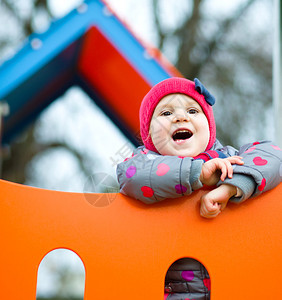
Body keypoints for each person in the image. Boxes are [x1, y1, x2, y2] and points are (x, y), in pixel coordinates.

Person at [116, 77, 282, 299]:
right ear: (148, 135)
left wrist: (230, 187)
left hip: (233, 284)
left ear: (209, 126)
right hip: (171, 290)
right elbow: (131, 176)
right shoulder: (144, 161)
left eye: (193, 110)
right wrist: (199, 174)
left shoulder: (231, 159)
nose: (181, 117)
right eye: (166, 113)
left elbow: (274, 155)